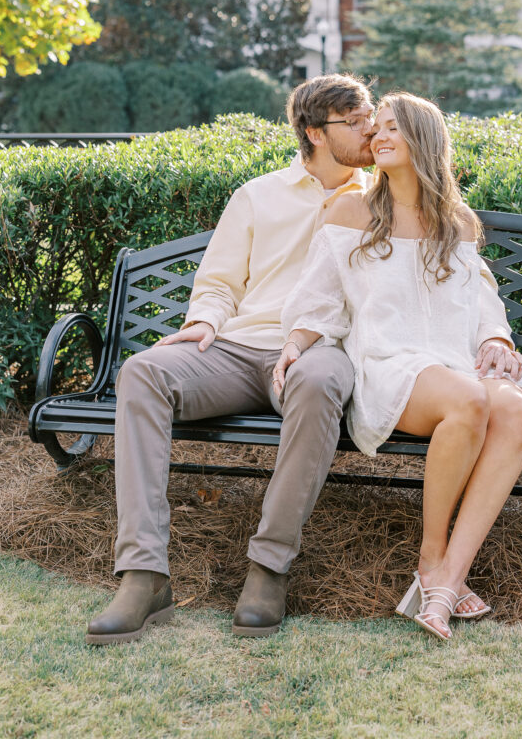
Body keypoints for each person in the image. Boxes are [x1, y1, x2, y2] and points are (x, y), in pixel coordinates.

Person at [85, 73, 375, 645]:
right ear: (315, 132)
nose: (370, 128)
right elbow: (218, 283)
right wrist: (202, 325)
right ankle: (143, 576)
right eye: (356, 120)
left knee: (319, 383)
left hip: (322, 352)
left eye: (371, 116)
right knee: (142, 371)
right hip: (239, 349)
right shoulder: (257, 195)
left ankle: (268, 568)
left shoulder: (383, 198)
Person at [276, 92, 522, 641]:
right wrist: (296, 344)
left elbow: (480, 296)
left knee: (515, 408)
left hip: (451, 362)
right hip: (387, 366)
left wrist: (496, 337)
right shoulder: (351, 211)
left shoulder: (457, 222)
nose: (379, 136)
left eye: (393, 127)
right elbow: (320, 297)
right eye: (378, 129)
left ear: (423, 138)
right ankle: (430, 560)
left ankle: (448, 580)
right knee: (468, 400)